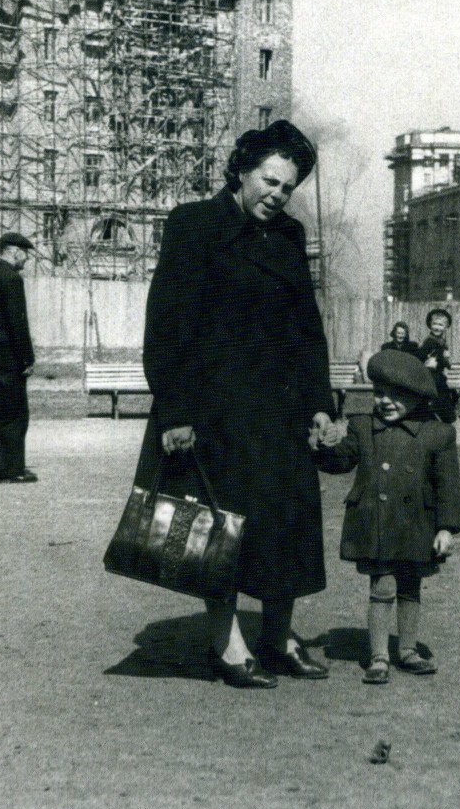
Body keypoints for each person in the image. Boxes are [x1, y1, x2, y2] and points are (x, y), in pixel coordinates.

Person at [133, 119, 335, 689]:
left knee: (287, 524)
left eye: (288, 187)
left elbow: (307, 329)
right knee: (218, 529)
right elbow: (166, 325)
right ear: (241, 171)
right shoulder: (194, 225)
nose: (277, 195)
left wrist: (320, 402)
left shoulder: (289, 238)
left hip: (282, 410)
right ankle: (227, 646)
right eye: (270, 181)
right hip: (214, 411)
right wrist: (174, 412)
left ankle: (278, 637)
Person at [313, 349, 460, 684]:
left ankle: (407, 651)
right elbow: (340, 461)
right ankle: (378, 657)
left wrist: (446, 528)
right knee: (381, 587)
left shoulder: (437, 433)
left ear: (418, 397)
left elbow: (448, 487)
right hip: (376, 521)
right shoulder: (363, 427)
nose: (386, 402)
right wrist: (323, 447)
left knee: (410, 588)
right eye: (380, 393)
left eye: (397, 395)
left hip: (417, 526)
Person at [0, 232, 36, 484]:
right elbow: (17, 322)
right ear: (14, 252)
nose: (26, 259)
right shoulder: (12, 280)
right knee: (13, 414)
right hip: (8, 358)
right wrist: (27, 357)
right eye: (25, 254)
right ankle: (12, 469)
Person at [416, 308, 458, 422]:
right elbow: (420, 356)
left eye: (440, 325)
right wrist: (428, 361)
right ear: (430, 325)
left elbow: (442, 359)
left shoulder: (441, 341)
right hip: (429, 375)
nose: (437, 327)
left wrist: (446, 361)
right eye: (435, 324)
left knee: (450, 393)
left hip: (438, 375)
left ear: (446, 327)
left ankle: (443, 414)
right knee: (441, 394)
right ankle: (441, 414)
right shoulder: (429, 341)